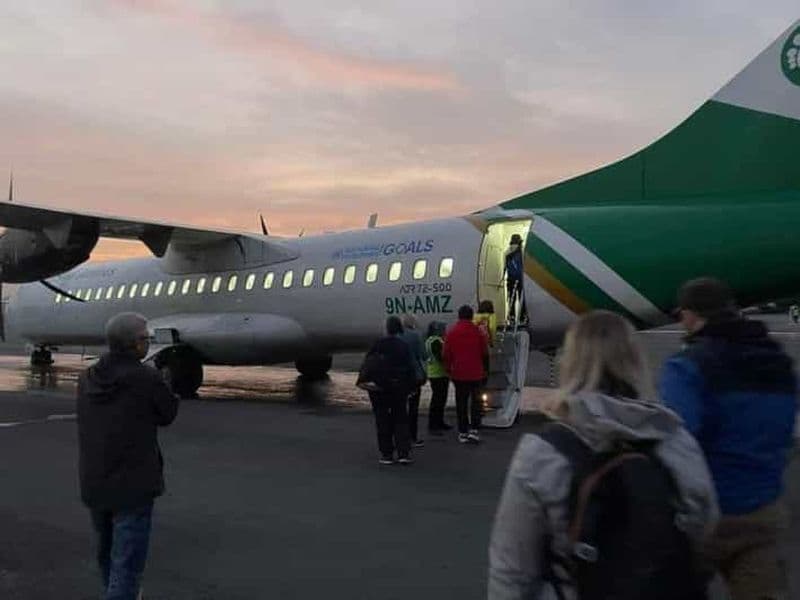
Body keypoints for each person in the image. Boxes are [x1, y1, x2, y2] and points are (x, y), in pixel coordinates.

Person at [488, 310, 718, 600]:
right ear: (636, 362)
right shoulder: (676, 440)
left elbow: (511, 570)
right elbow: (704, 537)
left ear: (569, 363)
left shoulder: (542, 452)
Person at [659, 277, 797, 600]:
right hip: (763, 509)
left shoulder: (687, 367)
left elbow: (676, 436)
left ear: (691, 316)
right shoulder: (777, 363)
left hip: (703, 515)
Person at [76, 312, 179, 600]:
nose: (148, 343)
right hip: (133, 485)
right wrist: (167, 383)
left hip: (95, 482)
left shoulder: (86, 377)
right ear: (135, 345)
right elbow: (167, 414)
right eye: (146, 338)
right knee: (128, 566)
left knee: (107, 555)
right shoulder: (145, 377)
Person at [360, 316, 417, 465]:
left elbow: (368, 364)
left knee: (382, 420)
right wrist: (412, 387)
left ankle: (386, 454)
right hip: (399, 387)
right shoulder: (403, 346)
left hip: (379, 388)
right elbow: (411, 368)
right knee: (400, 420)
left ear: (386, 328)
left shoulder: (377, 344)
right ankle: (403, 453)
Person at [443, 305, 488, 443]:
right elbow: (484, 353)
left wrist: (449, 370)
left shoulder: (451, 332)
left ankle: (462, 431)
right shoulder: (478, 332)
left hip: (459, 374)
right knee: (476, 402)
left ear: (459, 316)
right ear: (471, 316)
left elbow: (446, 355)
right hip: (476, 373)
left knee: (461, 403)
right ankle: (474, 430)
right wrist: (485, 370)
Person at [400, 313, 427, 447]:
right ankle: (412, 437)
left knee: (399, 408)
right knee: (413, 408)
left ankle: (400, 437)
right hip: (413, 375)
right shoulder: (415, 336)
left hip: (398, 376)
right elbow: (423, 354)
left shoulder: (396, 336)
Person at [425, 320, 451, 434]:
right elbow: (441, 357)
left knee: (439, 399)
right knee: (438, 400)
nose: (445, 330)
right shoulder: (436, 341)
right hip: (439, 374)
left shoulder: (430, 340)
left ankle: (439, 422)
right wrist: (449, 367)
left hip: (435, 373)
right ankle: (434, 424)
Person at [503, 234, 526, 324]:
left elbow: (505, 267)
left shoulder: (507, 252)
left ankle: (511, 317)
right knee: (521, 299)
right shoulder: (521, 251)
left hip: (510, 279)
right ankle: (522, 317)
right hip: (520, 278)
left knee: (511, 299)